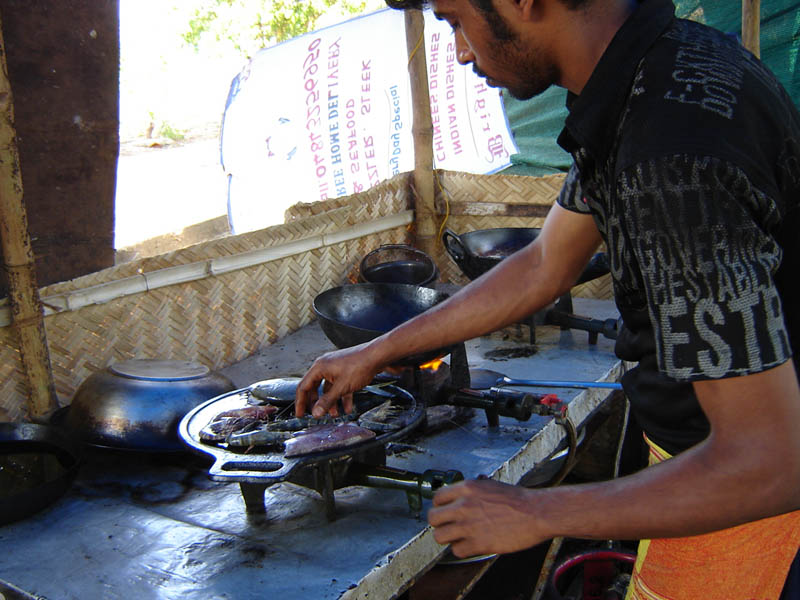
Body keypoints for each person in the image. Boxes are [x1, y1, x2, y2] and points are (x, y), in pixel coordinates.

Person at [295, 0, 800, 597]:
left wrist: (536, 513)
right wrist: (377, 351)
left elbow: (770, 463)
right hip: (699, 460)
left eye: (456, 20)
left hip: (737, 495)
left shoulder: (671, 155)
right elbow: (542, 263)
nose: (458, 50)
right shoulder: (659, 70)